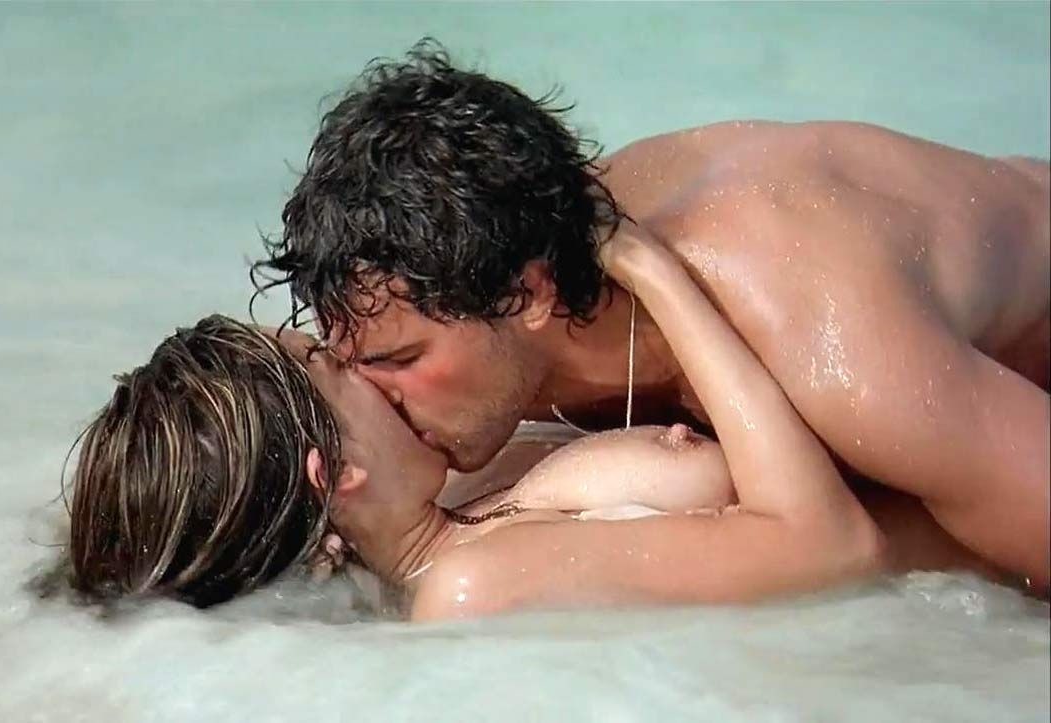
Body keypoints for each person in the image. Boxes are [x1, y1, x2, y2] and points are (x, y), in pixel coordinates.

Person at [254, 42, 1051, 596]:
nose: (375, 395)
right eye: (349, 359)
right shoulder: (497, 265)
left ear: (530, 295)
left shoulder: (820, 339)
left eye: (399, 360)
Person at [64, 231, 988, 619]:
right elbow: (832, 544)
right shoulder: (469, 585)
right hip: (993, 575)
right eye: (334, 364)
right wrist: (652, 268)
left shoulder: (464, 486)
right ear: (333, 473)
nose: (357, 353)